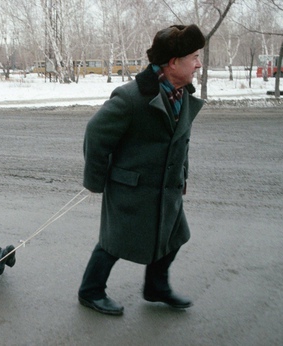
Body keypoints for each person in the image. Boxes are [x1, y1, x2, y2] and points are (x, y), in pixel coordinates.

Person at [78, 24, 206, 316]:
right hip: (131, 189)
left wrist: (181, 174)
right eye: (194, 57)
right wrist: (97, 181)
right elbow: (96, 134)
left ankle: (156, 286)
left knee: (174, 236)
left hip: (167, 187)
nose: (198, 63)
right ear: (173, 63)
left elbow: (179, 142)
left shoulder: (181, 93)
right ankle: (90, 291)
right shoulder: (131, 98)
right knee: (114, 243)